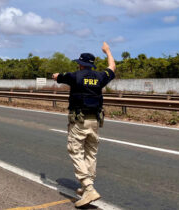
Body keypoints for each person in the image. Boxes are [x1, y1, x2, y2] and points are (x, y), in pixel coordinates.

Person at [52, 42, 116, 207]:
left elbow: (58, 76)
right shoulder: (100, 77)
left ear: (80, 64)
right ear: (92, 65)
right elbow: (112, 67)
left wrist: (56, 75)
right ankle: (87, 186)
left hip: (78, 121)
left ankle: (88, 187)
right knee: (91, 154)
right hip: (95, 121)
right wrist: (107, 51)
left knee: (75, 151)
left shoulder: (74, 76)